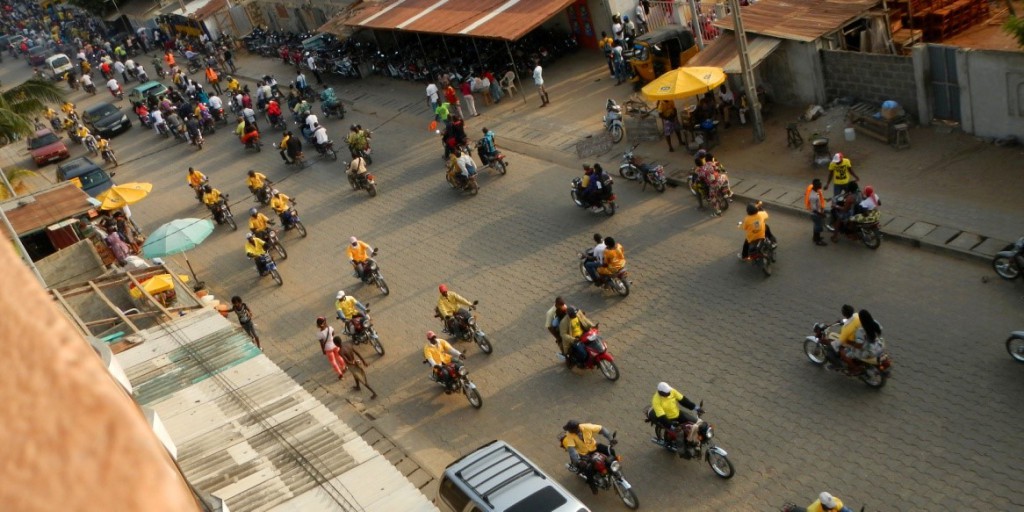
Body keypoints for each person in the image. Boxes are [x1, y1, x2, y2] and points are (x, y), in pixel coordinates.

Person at [560, 420, 616, 494]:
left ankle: (614, 466)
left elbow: (602, 429)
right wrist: (579, 461)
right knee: (588, 469)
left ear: (576, 428)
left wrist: (611, 439)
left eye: (571, 430)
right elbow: (572, 451)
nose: (570, 431)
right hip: (584, 454)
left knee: (611, 451)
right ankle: (592, 485)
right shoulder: (569, 436)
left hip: (594, 447)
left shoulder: (586, 427)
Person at [647, 382, 702, 449]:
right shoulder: (656, 401)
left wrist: (696, 408)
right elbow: (662, 417)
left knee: (697, 422)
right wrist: (671, 426)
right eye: (667, 393)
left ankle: (694, 440)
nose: (669, 393)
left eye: (669, 392)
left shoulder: (671, 390)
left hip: (677, 414)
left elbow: (683, 400)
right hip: (668, 419)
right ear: (661, 393)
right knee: (680, 433)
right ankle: (681, 450)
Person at [804, 178, 828, 246]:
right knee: (818, 227)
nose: (821, 185)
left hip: (817, 212)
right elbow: (814, 209)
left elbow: (819, 198)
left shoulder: (816, 191)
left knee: (816, 226)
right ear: (815, 185)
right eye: (819, 184)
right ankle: (818, 241)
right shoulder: (813, 196)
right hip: (816, 214)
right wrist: (822, 214)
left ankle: (815, 238)